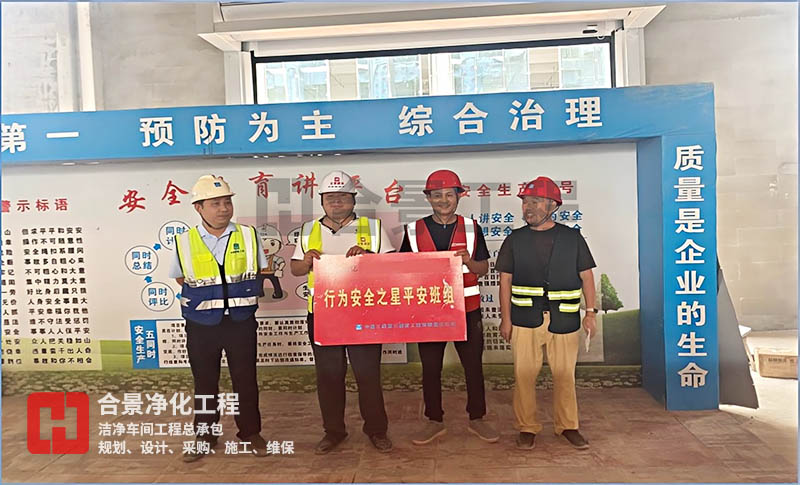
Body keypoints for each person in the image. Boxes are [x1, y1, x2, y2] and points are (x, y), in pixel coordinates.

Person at [290, 170, 396, 454]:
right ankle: (334, 431)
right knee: (329, 376)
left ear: (353, 200)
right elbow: (296, 269)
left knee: (368, 374)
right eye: (330, 198)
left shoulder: (372, 228)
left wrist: (368, 257)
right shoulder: (308, 230)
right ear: (322, 201)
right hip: (324, 315)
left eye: (342, 197)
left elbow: (390, 266)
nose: (336, 202)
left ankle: (377, 430)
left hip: (364, 313)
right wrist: (307, 261)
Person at [170, 174, 270, 462]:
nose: (224, 208)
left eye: (227, 202)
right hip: (201, 324)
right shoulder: (184, 241)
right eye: (215, 203)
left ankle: (250, 432)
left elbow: (259, 270)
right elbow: (181, 277)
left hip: (240, 320)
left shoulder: (248, 235)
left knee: (245, 379)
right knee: (204, 381)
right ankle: (205, 435)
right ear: (199, 208)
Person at [496, 176, 597, 451]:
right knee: (524, 375)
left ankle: (568, 426)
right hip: (524, 320)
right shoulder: (514, 240)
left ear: (553, 205)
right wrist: (506, 319)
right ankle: (527, 427)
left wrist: (590, 313)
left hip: (563, 319)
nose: (528, 207)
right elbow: (505, 280)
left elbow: (587, 276)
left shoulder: (572, 238)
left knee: (564, 375)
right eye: (525, 202)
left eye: (536, 201)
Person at [399, 169, 499, 445]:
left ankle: (477, 418)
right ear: (428, 198)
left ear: (459, 197)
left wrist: (468, 261)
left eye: (449, 195)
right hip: (429, 312)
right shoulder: (413, 231)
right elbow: (402, 269)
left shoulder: (472, 228)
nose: (443, 200)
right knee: (430, 368)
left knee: (473, 366)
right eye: (437, 195)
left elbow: (482, 269)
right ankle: (434, 420)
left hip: (467, 309)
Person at [256, 223, 285, 299]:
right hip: (260, 272)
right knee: (258, 283)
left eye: (272, 243)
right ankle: (259, 293)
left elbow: (281, 262)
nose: (265, 247)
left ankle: (278, 293)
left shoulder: (273, 257)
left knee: (276, 283)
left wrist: (279, 269)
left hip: (272, 272)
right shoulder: (257, 257)